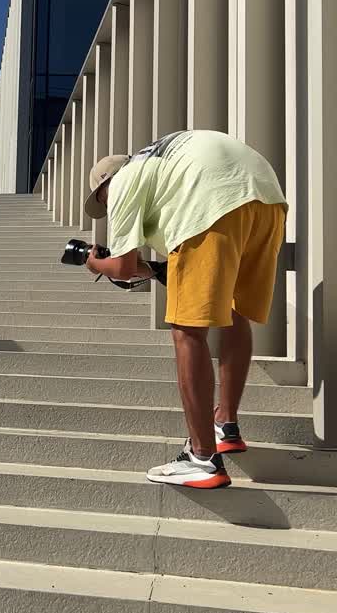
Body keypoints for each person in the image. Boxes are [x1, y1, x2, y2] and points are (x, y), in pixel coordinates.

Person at [81, 129, 287, 489]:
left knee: (187, 330)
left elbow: (126, 268)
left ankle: (202, 457)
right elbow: (157, 260)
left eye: (102, 198)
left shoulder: (127, 180)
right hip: (266, 197)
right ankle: (226, 425)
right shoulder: (160, 164)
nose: (106, 206)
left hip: (208, 203)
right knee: (233, 313)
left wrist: (93, 262)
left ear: (106, 185)